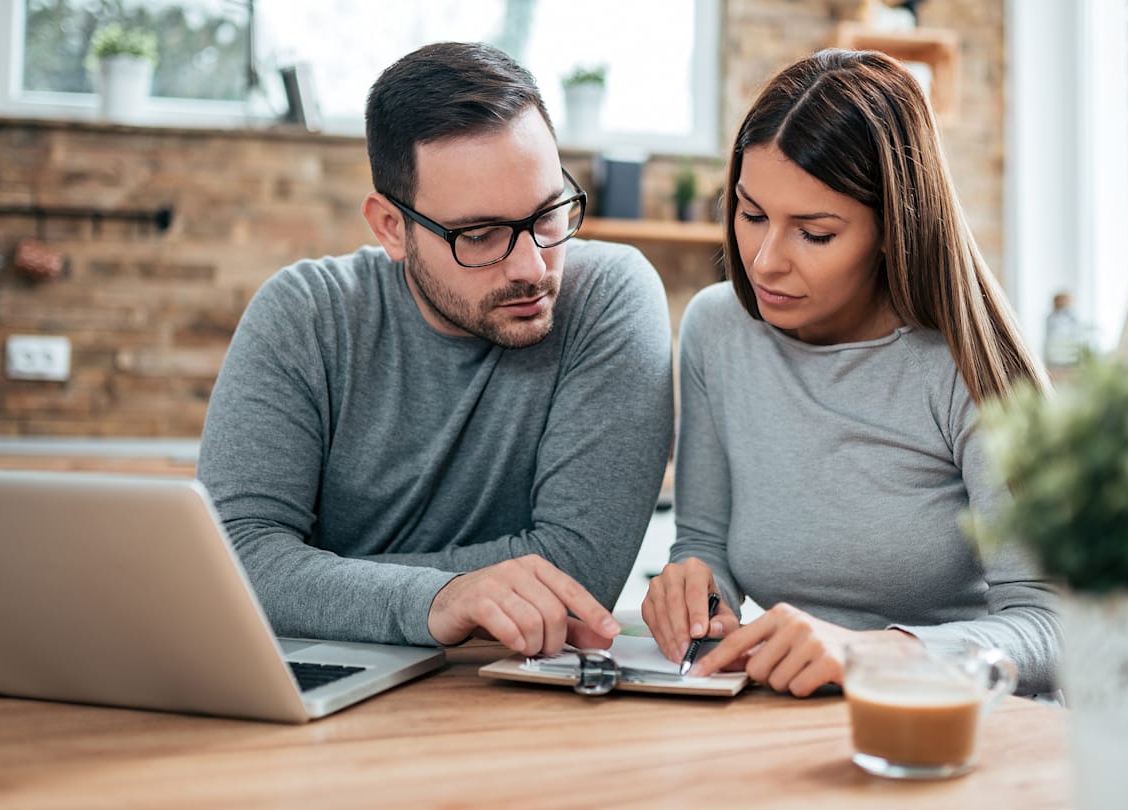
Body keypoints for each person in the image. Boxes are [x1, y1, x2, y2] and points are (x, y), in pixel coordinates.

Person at [197, 42, 674, 658]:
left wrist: (318, 579)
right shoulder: (307, 315)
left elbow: (578, 573)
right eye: (479, 235)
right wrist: (438, 598)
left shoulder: (609, 297)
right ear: (392, 228)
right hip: (317, 683)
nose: (532, 267)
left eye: (550, 213)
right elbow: (235, 561)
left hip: (509, 695)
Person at [641, 49, 1059, 696]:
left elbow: (1051, 627)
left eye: (814, 233)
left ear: (894, 229)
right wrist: (696, 591)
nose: (765, 261)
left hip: (955, 733)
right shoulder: (716, 332)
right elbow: (704, 545)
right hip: (795, 724)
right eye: (751, 215)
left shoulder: (972, 367)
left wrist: (872, 654)